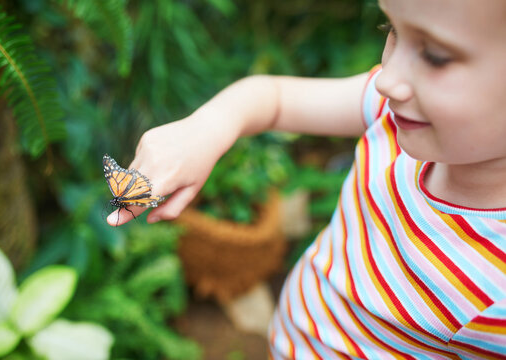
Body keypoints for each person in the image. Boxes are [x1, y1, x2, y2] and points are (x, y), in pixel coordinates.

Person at [108, 0, 506, 357]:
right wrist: (206, 129)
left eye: (435, 56)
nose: (387, 78)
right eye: (393, 31)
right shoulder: (390, 112)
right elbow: (275, 99)